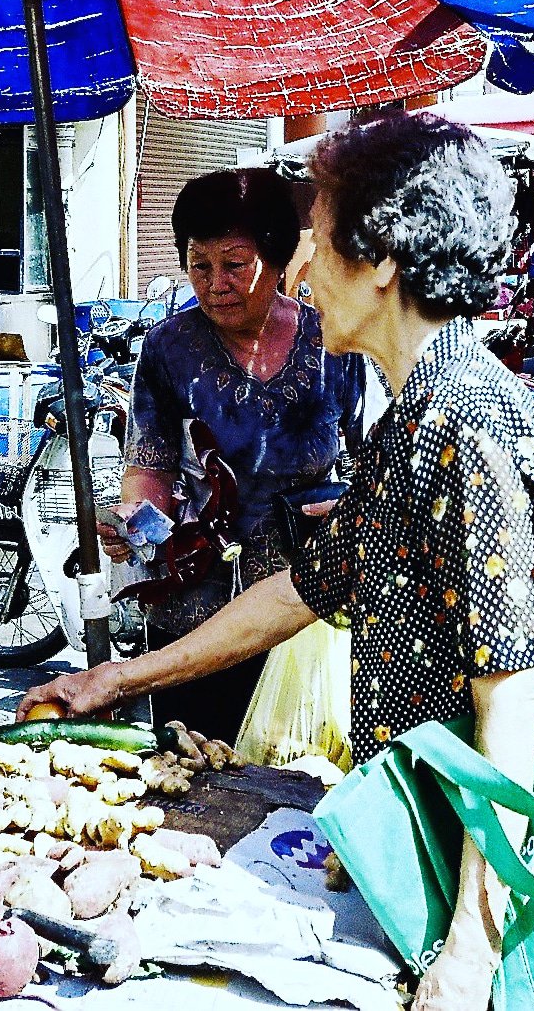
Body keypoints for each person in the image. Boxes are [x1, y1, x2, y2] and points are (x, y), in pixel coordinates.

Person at [22, 111, 534, 1011]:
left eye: (318, 245)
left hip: (488, 874)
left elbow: (513, 696)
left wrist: (472, 949)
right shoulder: (417, 414)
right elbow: (301, 588)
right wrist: (118, 677)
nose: (301, 273)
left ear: (382, 261)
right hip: (426, 834)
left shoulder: (464, 419)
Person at [101, 167, 365, 743]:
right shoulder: (168, 349)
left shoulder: (334, 342)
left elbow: (368, 460)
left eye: (234, 264)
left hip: (303, 605)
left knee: (299, 765)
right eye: (199, 265)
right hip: (196, 606)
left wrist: (345, 508)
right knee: (194, 763)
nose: (215, 283)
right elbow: (150, 466)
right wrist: (133, 524)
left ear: (276, 258)